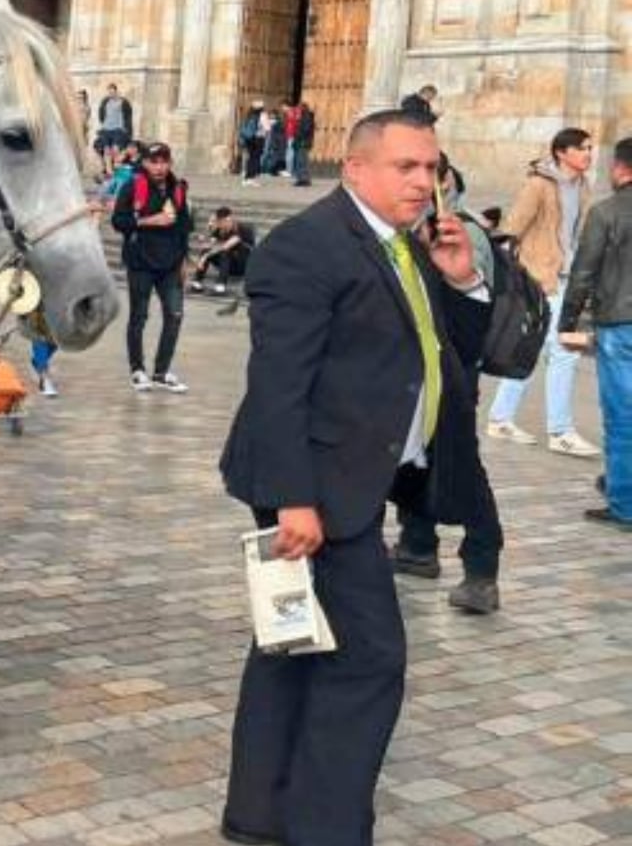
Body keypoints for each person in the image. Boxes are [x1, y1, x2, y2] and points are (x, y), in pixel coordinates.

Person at [219, 109, 489, 846]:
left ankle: (260, 811)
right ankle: (327, 827)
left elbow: (454, 356)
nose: (423, 182)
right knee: (371, 658)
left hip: (360, 476)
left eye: (431, 168)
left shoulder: (408, 248)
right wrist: (294, 500)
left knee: (293, 641)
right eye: (406, 167)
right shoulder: (306, 248)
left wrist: (462, 283)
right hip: (319, 484)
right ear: (357, 168)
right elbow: (277, 384)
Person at [388, 153, 507, 614]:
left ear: (444, 181)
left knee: (463, 470)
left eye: (426, 174)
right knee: (413, 461)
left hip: (454, 374)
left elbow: (473, 312)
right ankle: (417, 546)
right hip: (415, 380)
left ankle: (481, 568)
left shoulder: (459, 231)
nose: (416, 184)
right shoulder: (400, 234)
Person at [486, 128, 601, 457]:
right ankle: (560, 431)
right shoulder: (539, 185)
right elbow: (513, 228)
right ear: (562, 152)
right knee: (563, 350)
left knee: (529, 349)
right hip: (539, 277)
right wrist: (513, 278)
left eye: (591, 149)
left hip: (567, 277)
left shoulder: (582, 186)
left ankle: (500, 418)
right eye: (583, 149)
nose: (589, 154)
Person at [558, 136, 632, 530]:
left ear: (621, 169)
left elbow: (583, 272)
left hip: (620, 325)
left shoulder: (606, 212)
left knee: (623, 419)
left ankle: (623, 502)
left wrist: (567, 322)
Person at [112, 141, 192, 393]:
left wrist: (184, 261)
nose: (159, 167)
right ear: (145, 162)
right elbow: (119, 221)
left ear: (170, 163)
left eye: (163, 162)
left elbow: (183, 227)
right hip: (141, 262)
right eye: (153, 162)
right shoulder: (133, 186)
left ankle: (161, 371)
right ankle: (137, 369)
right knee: (139, 316)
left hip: (170, 264)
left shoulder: (177, 189)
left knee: (175, 315)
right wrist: (149, 221)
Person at [190, 206, 254, 295]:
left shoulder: (242, 229)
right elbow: (210, 245)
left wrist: (204, 258)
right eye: (219, 221)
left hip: (242, 265)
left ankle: (220, 287)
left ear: (229, 218)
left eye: (222, 221)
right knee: (206, 250)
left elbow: (226, 246)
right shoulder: (219, 230)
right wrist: (209, 228)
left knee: (224, 252)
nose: (220, 224)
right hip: (228, 265)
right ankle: (196, 283)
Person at [94, 83, 133, 176]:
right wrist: (102, 124)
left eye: (112, 92)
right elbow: (101, 113)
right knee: (106, 150)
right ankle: (109, 172)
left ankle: (116, 169)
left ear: (116, 92)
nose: (111, 94)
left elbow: (128, 115)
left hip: (118, 128)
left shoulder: (123, 102)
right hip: (106, 128)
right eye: (109, 92)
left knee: (116, 150)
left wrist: (127, 128)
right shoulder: (105, 102)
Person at [287, 99, 316, 187]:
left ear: (302, 108)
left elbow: (304, 130)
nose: (298, 110)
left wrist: (297, 135)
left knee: (302, 161)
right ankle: (303, 179)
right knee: (302, 161)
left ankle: (303, 179)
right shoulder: (306, 117)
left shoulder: (305, 117)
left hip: (303, 142)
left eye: (299, 108)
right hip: (303, 142)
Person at [237, 100, 266, 184]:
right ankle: (250, 177)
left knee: (250, 158)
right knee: (255, 159)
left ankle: (247, 177)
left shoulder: (249, 115)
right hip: (257, 139)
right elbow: (267, 127)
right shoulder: (261, 116)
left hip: (249, 139)